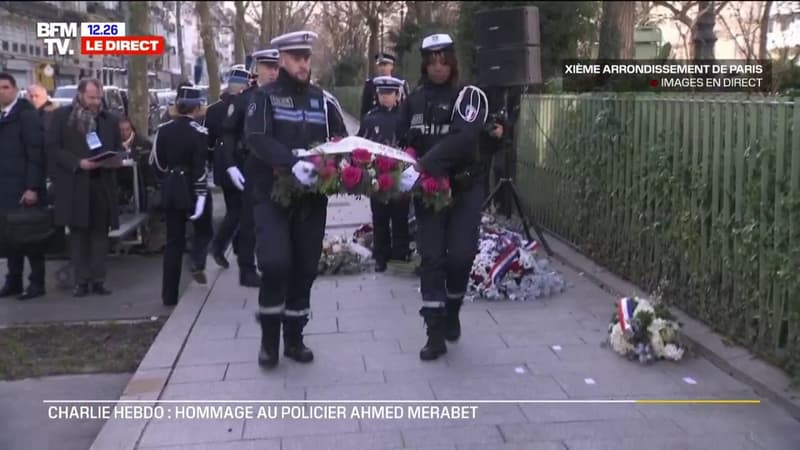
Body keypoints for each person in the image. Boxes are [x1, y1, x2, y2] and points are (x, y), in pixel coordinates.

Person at [245, 30, 348, 368]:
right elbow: (257, 138)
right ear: (282, 60)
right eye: (296, 58)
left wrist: (338, 163)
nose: (303, 64)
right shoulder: (264, 98)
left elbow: (340, 138)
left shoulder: (322, 99)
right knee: (275, 264)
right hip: (272, 197)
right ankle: (268, 341)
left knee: (305, 268)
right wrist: (292, 163)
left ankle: (294, 338)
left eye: (306, 58)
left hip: (311, 200)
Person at [396, 33, 489, 361]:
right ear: (424, 64)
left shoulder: (469, 95)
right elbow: (401, 138)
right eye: (431, 62)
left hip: (464, 189)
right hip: (428, 191)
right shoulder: (414, 99)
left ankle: (452, 309)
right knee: (432, 258)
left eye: (443, 61)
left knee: (461, 256)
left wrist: (422, 163)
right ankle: (434, 332)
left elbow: (463, 140)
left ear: (452, 61)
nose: (438, 68)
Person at [49, 78, 122, 297]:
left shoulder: (108, 120)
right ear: (80, 95)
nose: (95, 102)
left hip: (101, 184)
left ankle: (99, 280)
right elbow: (53, 148)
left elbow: (117, 147)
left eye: (98, 97)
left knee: (100, 234)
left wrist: (114, 159)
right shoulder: (63, 117)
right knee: (78, 235)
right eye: (91, 97)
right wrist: (77, 163)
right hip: (75, 184)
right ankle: (81, 281)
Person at [219, 48, 281, 288]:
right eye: (268, 68)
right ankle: (247, 268)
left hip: (280, 166)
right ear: (258, 70)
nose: (273, 73)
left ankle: (275, 262)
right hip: (252, 165)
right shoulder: (245, 99)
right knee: (249, 219)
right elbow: (229, 134)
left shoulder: (286, 97)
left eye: (277, 68)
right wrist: (232, 165)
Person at [149, 86, 212, 306]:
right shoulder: (199, 133)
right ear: (196, 109)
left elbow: (156, 162)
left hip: (171, 187)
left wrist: (166, 179)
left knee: (173, 242)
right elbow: (200, 167)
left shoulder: (163, 130)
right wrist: (202, 195)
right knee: (203, 229)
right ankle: (197, 261)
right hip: (192, 189)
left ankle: (169, 295)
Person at [356, 76, 411, 272]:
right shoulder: (370, 119)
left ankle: (400, 254)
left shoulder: (404, 118)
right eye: (382, 94)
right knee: (379, 218)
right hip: (377, 178)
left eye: (389, 94)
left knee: (400, 218)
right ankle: (381, 255)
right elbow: (360, 143)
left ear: (397, 95)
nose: (385, 98)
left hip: (400, 177)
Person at [0, 73, 47, 300]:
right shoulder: (3, 116)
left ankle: (37, 283)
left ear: (15, 89)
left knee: (31, 237)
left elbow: (36, 153)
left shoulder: (26, 114)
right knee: (10, 238)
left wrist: (32, 187)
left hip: (24, 188)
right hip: (5, 189)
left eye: (5, 87)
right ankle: (14, 281)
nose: (1, 92)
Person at [207, 68, 249, 269]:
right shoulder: (243, 106)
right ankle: (218, 246)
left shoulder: (214, 109)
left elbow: (208, 140)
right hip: (237, 161)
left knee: (235, 207)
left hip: (221, 163)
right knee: (238, 209)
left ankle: (238, 247)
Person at [359, 52, 410, 119]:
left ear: (392, 66)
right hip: (375, 121)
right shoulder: (370, 84)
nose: (382, 68)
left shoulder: (400, 83)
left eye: (385, 65)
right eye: (380, 65)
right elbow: (365, 109)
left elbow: (406, 106)